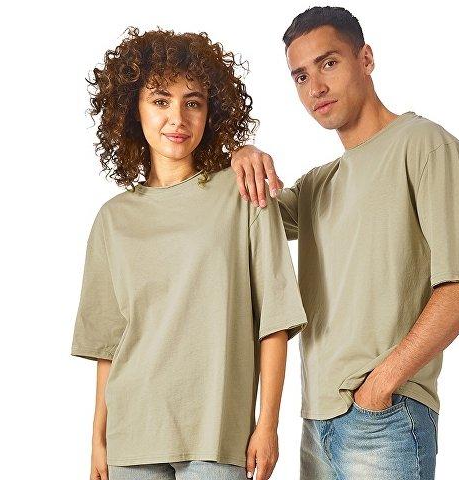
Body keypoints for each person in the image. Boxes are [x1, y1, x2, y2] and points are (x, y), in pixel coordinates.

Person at [231, 6, 459, 480]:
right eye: (300, 76)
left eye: (329, 63)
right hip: (317, 421)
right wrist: (241, 152)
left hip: (384, 418)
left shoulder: (425, 145)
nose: (316, 87)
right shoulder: (319, 183)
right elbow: (246, 214)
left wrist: (382, 384)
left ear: (366, 58)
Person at [70, 27, 307, 480]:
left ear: (210, 111)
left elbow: (274, 319)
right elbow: (109, 343)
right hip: (132, 436)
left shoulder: (243, 191)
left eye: (192, 102)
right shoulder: (112, 219)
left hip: (216, 435)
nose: (177, 118)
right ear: (133, 109)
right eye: (160, 101)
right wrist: (97, 439)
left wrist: (268, 424)